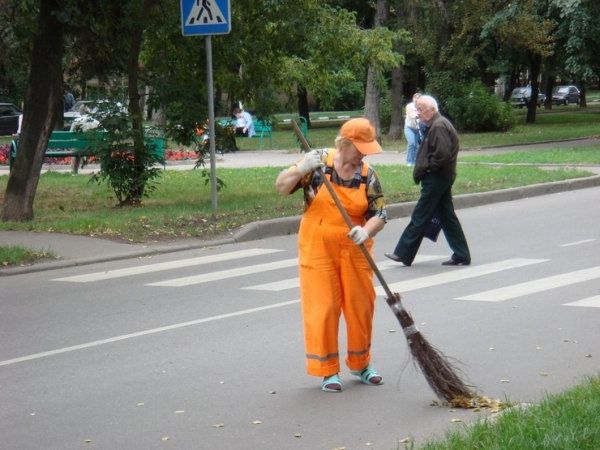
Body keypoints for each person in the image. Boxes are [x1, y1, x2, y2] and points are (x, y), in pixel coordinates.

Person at [275, 118, 387, 393]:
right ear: (344, 143)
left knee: (361, 307)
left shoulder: (367, 174)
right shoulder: (318, 163)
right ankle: (328, 371)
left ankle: (361, 364)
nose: (364, 153)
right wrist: (301, 168)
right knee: (323, 308)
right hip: (318, 245)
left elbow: (380, 214)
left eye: (366, 148)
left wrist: (366, 231)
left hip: (354, 247)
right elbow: (281, 186)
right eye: (359, 147)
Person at [384, 94, 471, 266]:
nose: (417, 113)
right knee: (447, 216)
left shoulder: (438, 125)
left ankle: (404, 253)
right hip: (441, 176)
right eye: (417, 109)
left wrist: (427, 167)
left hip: (437, 177)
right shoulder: (437, 124)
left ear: (432, 110)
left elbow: (442, 155)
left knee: (420, 214)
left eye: (421, 110)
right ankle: (462, 254)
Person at [404, 93, 421, 166]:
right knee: (411, 143)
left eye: (418, 98)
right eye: (415, 97)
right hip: (409, 128)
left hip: (417, 129)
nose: (416, 99)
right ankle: (409, 162)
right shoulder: (409, 106)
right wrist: (417, 115)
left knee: (416, 145)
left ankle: (414, 162)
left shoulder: (422, 107)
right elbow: (411, 115)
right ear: (413, 99)